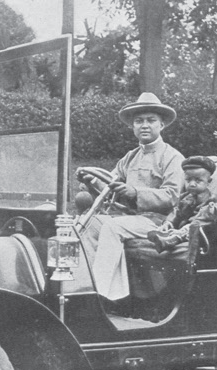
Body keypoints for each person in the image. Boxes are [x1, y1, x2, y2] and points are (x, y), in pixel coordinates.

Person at [76, 94, 185, 301]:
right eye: (139, 121)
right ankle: (83, 286)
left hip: (158, 222)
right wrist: (91, 181)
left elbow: (171, 197)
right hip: (129, 219)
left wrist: (136, 193)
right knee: (90, 223)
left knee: (112, 227)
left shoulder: (172, 157)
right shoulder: (130, 157)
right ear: (133, 127)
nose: (144, 125)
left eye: (151, 120)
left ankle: (100, 295)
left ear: (162, 124)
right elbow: (110, 183)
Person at [149, 154, 217, 253]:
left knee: (205, 216)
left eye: (198, 180)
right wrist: (169, 222)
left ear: (209, 182)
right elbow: (177, 211)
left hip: (199, 228)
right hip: (185, 226)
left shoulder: (210, 199)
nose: (192, 184)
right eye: (188, 180)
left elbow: (204, 217)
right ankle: (165, 233)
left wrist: (186, 228)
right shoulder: (185, 197)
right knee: (171, 224)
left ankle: (172, 239)